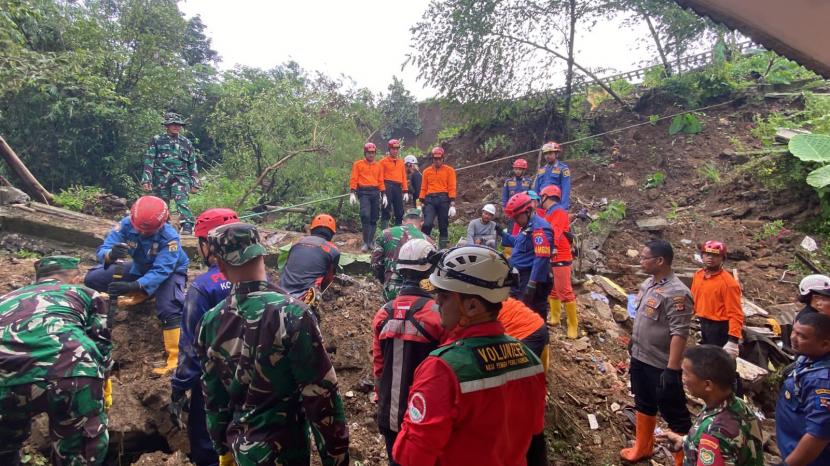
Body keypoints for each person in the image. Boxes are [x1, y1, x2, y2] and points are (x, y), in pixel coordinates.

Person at [195, 223, 350, 465]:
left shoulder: (210, 321)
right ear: (263, 255)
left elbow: (213, 397)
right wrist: (336, 458)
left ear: (221, 266)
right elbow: (321, 397)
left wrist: (222, 449)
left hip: (241, 450)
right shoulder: (293, 314)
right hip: (285, 452)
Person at [392, 246, 546, 465]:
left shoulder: (442, 369)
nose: (437, 302)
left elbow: (412, 456)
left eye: (444, 296)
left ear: (472, 306)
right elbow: (536, 441)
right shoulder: (529, 359)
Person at [0, 256, 111, 465]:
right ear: (75, 278)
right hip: (72, 369)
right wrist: (103, 381)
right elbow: (102, 342)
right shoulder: (86, 293)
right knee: (79, 453)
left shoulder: (6, 299)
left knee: (4, 448)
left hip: (7, 375)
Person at [85, 195, 189, 376]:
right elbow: (102, 251)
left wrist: (132, 286)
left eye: (147, 231)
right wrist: (111, 254)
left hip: (170, 272)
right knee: (93, 278)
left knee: (169, 308)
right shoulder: (126, 224)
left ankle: (175, 359)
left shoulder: (170, 238)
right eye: (138, 229)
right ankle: (146, 291)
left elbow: (161, 271)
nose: (141, 233)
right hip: (140, 267)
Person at [169, 208, 239, 466]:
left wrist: (179, 386)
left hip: (213, 382)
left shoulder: (202, 287)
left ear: (207, 245)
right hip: (257, 380)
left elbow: (191, 346)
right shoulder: (258, 280)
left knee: (206, 444)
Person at [372, 239, 447, 466]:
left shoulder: (383, 313)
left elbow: (379, 368)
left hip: (388, 414)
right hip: (427, 418)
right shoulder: (439, 316)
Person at [622, 239, 693, 465]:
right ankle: (642, 448)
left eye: (645, 258)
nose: (641, 262)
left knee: (674, 413)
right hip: (640, 357)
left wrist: (672, 370)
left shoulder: (678, 293)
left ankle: (685, 458)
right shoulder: (648, 285)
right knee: (644, 402)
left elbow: (679, 333)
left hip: (661, 364)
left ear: (660, 261)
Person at [660, 345, 763, 466]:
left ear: (708, 385)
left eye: (686, 374)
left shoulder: (717, 433)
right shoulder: (737, 405)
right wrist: (685, 441)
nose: (683, 378)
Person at [776, 312, 830, 466]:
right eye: (794, 331)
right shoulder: (807, 357)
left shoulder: (822, 382)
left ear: (825, 344)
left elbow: (818, 435)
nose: (793, 338)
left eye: (802, 336)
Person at [141, 112, 199, 235]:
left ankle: (187, 224)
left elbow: (192, 163)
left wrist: (195, 182)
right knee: (162, 203)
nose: (176, 127)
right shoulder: (157, 140)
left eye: (178, 124)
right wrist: (147, 179)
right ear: (166, 125)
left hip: (180, 177)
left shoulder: (186, 142)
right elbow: (149, 159)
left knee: (181, 200)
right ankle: (163, 226)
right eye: (173, 124)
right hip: (161, 177)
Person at [498, 192, 554, 320]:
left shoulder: (539, 228)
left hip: (531, 278)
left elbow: (541, 258)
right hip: (520, 277)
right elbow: (517, 243)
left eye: (517, 217)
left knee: (532, 313)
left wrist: (532, 284)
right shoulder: (526, 226)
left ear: (528, 211)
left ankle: (536, 338)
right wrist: (501, 233)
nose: (516, 221)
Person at [690, 241, 744, 357]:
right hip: (703, 323)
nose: (710, 258)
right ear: (702, 256)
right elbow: (694, 299)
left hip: (720, 328)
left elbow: (736, 313)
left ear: (722, 258)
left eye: (715, 255)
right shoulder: (698, 276)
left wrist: (733, 340)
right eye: (707, 254)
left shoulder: (728, 283)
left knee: (717, 362)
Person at [372, 208, 434, 302]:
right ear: (422, 222)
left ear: (403, 221)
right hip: (418, 294)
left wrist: (384, 280)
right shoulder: (429, 242)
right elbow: (432, 273)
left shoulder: (386, 234)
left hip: (392, 291)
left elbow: (375, 263)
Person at [539, 185, 577, 337]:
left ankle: (572, 325)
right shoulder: (550, 212)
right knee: (554, 289)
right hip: (551, 255)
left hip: (560, 255)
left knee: (565, 290)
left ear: (546, 196)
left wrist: (552, 247)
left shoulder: (558, 212)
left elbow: (555, 231)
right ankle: (555, 317)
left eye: (542, 197)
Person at [279, 214, 341, 305]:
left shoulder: (296, 244)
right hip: (307, 295)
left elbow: (286, 266)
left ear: (312, 229)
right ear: (332, 233)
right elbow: (328, 279)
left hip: (282, 291)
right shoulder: (333, 251)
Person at [350, 142, 387, 252]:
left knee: (374, 217)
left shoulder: (378, 166)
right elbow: (354, 178)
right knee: (365, 215)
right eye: (369, 153)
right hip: (364, 192)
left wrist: (384, 194)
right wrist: (352, 192)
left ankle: (370, 242)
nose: (371, 155)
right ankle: (365, 242)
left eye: (373, 153)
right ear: (365, 153)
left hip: (375, 192)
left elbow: (381, 181)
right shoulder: (358, 164)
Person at [418, 147, 457, 248]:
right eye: (435, 159)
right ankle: (424, 245)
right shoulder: (426, 171)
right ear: (432, 159)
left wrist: (452, 203)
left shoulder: (449, 170)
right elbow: (423, 188)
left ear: (443, 158)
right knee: (427, 224)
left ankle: (442, 249)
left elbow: (452, 187)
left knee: (443, 225)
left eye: (439, 158)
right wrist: (420, 202)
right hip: (430, 200)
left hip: (443, 199)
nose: (437, 161)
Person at [499, 296, 550, 372]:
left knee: (520, 373)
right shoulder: (498, 297)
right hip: (539, 325)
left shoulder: (483, 309)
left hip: (527, 334)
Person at [533, 141, 571, 210]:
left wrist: (564, 207)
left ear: (556, 154)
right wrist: (535, 203)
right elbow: (536, 189)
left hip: (556, 204)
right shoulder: (541, 170)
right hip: (542, 205)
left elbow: (566, 189)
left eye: (550, 153)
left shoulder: (563, 169)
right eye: (546, 154)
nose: (547, 156)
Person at [380, 139, 409, 229]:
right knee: (386, 209)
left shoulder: (401, 162)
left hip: (397, 187)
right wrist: (382, 192)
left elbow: (403, 176)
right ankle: (384, 232)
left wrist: (405, 190)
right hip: (387, 185)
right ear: (389, 149)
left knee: (399, 211)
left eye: (397, 149)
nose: (395, 151)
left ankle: (397, 232)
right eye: (393, 149)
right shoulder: (383, 162)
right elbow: (380, 177)